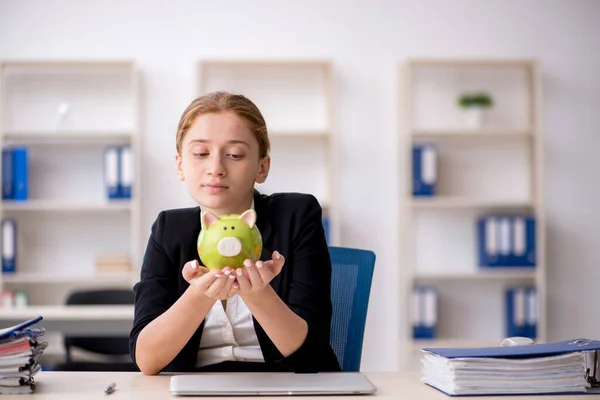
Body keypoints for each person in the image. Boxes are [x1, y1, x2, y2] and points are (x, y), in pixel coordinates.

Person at [129, 91, 342, 375]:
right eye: (201, 154)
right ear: (180, 165)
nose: (216, 169)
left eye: (235, 155)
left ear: (262, 167)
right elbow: (147, 360)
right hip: (192, 389)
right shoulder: (169, 229)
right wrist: (201, 294)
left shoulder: (297, 215)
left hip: (284, 389)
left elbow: (313, 357)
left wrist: (257, 294)